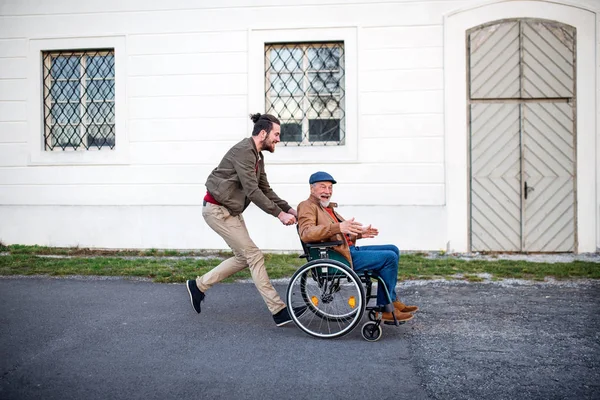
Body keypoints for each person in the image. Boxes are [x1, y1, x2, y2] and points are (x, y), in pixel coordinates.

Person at [186, 113, 299, 326]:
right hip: (217, 211)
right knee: (254, 255)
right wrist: (279, 215)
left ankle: (198, 286)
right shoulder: (243, 152)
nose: (278, 139)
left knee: (243, 257)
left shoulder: (257, 156)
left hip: (230, 211)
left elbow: (265, 189)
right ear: (263, 133)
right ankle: (279, 311)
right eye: (276, 134)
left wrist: (290, 209)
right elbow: (253, 191)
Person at [297, 171, 418, 322]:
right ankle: (385, 307)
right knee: (389, 258)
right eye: (323, 187)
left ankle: (391, 300)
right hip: (337, 256)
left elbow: (339, 232)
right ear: (312, 188)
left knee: (393, 249)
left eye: (330, 188)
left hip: (346, 250)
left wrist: (359, 233)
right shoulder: (306, 206)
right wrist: (339, 227)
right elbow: (307, 233)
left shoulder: (327, 208)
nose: (327, 192)